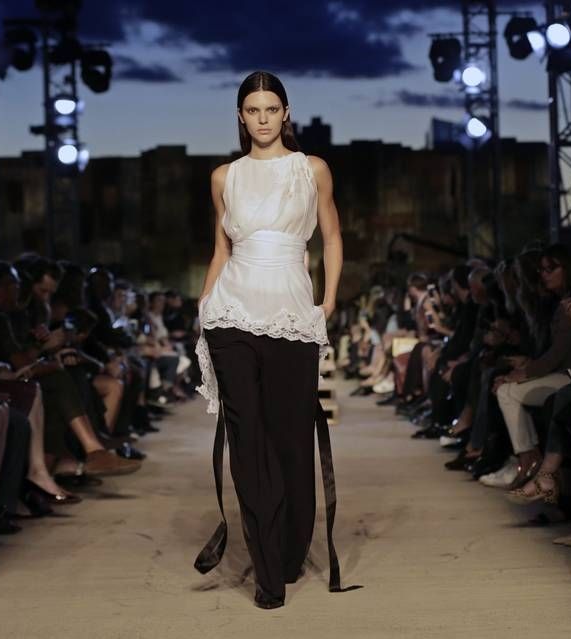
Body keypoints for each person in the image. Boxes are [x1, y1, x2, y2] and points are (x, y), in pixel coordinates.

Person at [192, 70, 356, 609]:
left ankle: (288, 550)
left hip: (291, 312)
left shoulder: (312, 169)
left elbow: (332, 235)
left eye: (271, 109)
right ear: (240, 117)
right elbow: (221, 250)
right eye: (252, 110)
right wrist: (205, 303)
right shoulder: (224, 177)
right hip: (231, 313)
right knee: (247, 439)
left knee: (290, 439)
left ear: (286, 113)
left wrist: (329, 300)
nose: (262, 119)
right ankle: (267, 570)